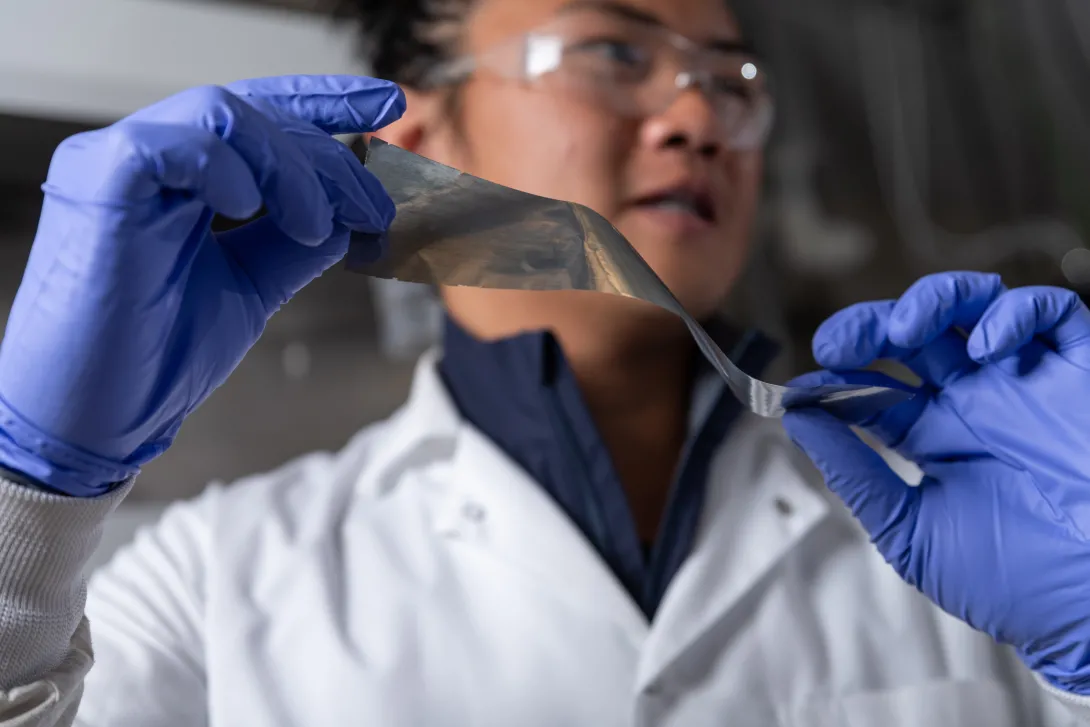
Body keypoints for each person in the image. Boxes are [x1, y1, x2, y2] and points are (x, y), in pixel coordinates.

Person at [0, 0, 1089, 723]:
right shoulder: (208, 584)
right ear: (420, 135)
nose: (699, 114)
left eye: (731, 77)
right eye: (616, 52)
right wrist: (30, 500)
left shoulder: (962, 535)